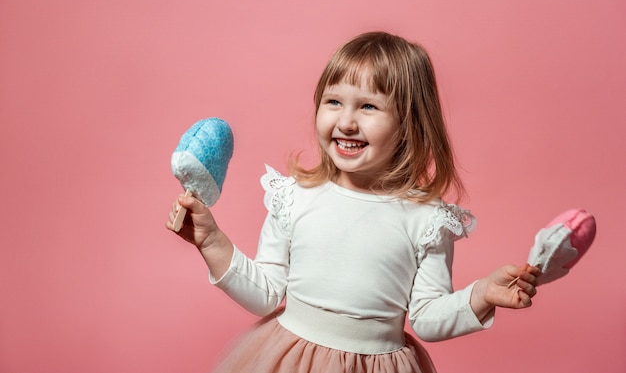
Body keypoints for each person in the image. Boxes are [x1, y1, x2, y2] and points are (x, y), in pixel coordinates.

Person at [166, 31, 540, 373]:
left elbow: (426, 318)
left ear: (409, 124)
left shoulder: (427, 220)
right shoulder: (295, 197)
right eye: (333, 101)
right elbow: (264, 294)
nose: (346, 121)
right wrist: (212, 240)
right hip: (289, 360)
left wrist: (482, 295)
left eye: (368, 107)